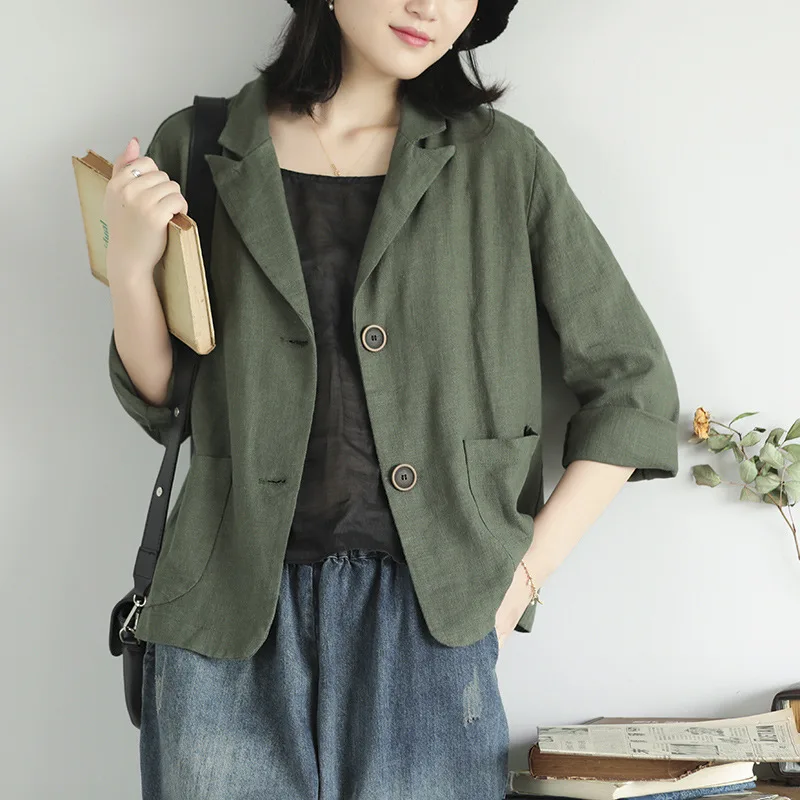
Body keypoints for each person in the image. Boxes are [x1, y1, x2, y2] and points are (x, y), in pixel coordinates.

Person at [103, 0, 681, 797]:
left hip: (429, 623)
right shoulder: (201, 145)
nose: (430, 7)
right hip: (221, 619)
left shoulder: (502, 163)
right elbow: (165, 398)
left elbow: (633, 385)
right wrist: (129, 267)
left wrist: (522, 578)